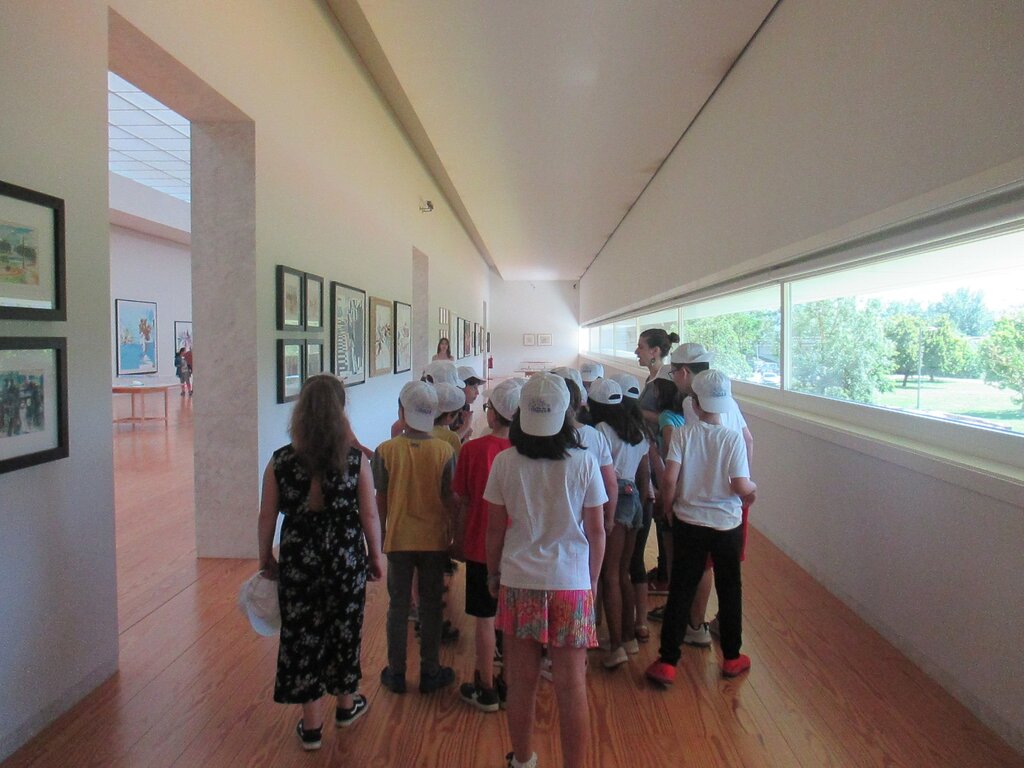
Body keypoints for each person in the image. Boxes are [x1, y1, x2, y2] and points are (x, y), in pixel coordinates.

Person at [256, 373, 385, 752]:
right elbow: (369, 515)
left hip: (299, 559)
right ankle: (346, 706)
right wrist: (375, 555)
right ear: (340, 411)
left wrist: (265, 557)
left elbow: (267, 516)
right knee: (345, 627)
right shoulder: (354, 460)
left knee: (302, 633)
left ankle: (311, 726)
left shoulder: (280, 461)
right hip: (345, 558)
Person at [484, 373, 607, 768]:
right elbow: (597, 531)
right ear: (567, 415)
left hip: (519, 580)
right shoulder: (584, 462)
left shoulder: (504, 462)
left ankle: (522, 760)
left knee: (521, 683)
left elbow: (494, 529)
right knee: (572, 687)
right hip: (571, 583)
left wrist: (492, 573)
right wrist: (591, 581)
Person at [645, 370, 756, 685]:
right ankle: (732, 657)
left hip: (689, 522)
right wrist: (753, 491)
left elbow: (669, 479)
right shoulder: (732, 439)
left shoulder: (683, 435)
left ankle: (668, 661)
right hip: (726, 526)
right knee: (730, 589)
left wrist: (668, 507)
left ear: (693, 403)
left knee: (682, 587)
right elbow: (740, 485)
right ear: (726, 403)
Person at [373, 381, 458, 695]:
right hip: (434, 540)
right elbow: (449, 497)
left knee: (397, 606)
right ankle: (430, 671)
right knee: (431, 606)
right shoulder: (445, 451)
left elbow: (381, 497)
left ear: (401, 412)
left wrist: (381, 533)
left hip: (399, 539)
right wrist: (453, 532)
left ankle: (396, 673)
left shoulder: (385, 451)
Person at [669, 343, 754, 645]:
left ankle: (695, 625)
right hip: (734, 497)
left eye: (673, 372)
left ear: (684, 372)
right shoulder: (728, 399)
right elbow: (748, 439)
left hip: (701, 503)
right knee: (729, 570)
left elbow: (695, 450)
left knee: (701, 565)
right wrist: (743, 482)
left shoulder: (691, 404)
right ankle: (722, 626)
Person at [453, 378, 522, 713]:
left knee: (483, 617)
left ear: (493, 415)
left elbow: (462, 500)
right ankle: (508, 682)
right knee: (510, 619)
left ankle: (485, 686)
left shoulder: (472, 450)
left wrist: (457, 539)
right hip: (518, 549)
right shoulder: (527, 453)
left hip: (481, 545)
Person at [588, 377, 650, 669]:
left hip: (614, 498)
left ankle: (615, 647)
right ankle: (628, 637)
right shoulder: (638, 429)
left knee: (609, 574)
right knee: (623, 572)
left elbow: (601, 473)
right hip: (634, 498)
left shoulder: (601, 429)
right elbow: (643, 474)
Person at [454, 365, 484, 441]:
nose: (477, 392)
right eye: (474, 387)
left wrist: (464, 431)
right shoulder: (447, 409)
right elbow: (446, 443)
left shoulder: (465, 406)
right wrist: (466, 427)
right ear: (460, 387)